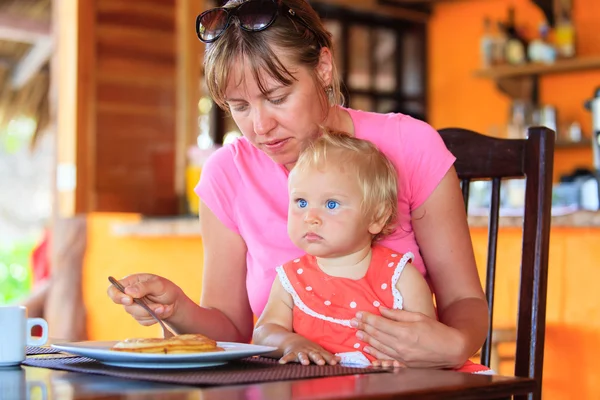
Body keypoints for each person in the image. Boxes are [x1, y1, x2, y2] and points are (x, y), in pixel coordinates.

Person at [107, 0, 488, 370]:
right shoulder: (227, 173)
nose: (260, 126)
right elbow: (235, 330)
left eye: (277, 97)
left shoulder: (411, 146)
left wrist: (455, 346)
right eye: (239, 106)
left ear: (323, 68)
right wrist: (177, 309)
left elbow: (465, 299)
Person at [252, 130, 489, 373]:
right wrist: (291, 342)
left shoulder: (400, 278)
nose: (310, 217)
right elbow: (263, 332)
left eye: (331, 204)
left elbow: (426, 346)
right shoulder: (291, 278)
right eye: (301, 202)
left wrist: (405, 363)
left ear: (376, 218)